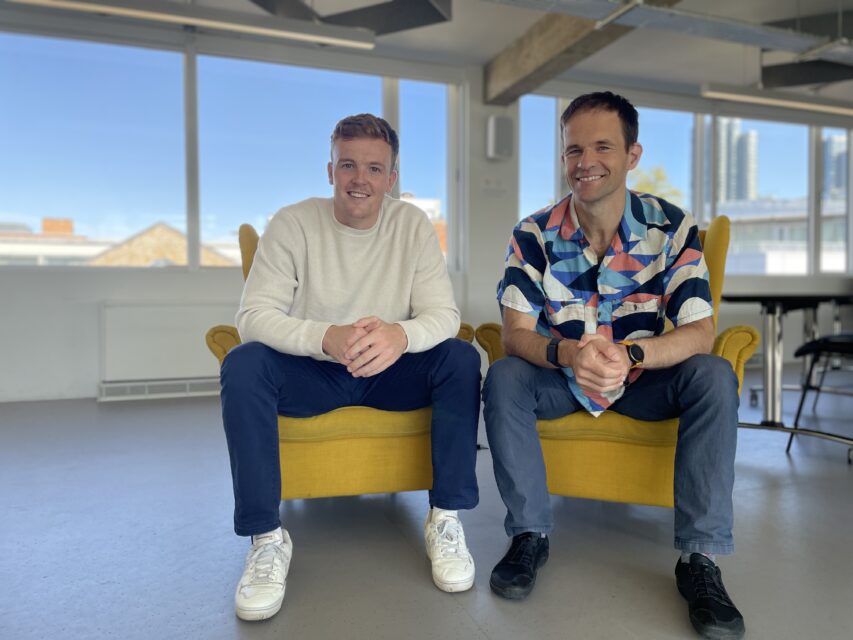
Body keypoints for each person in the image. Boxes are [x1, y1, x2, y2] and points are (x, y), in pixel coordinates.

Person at [483, 92, 744, 640]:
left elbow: (700, 330)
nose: (585, 161)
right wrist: (569, 354)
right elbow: (515, 336)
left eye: (603, 146)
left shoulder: (671, 227)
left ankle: (699, 561)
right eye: (573, 149)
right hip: (562, 380)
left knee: (714, 374)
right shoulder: (532, 235)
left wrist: (629, 356)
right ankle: (529, 535)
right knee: (505, 376)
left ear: (632, 154)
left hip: (645, 379)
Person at [220, 114, 480, 621]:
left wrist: (399, 335)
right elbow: (253, 316)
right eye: (348, 165)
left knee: (461, 358)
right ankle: (266, 538)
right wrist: (325, 336)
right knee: (243, 363)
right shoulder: (292, 222)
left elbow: (444, 316)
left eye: (374, 168)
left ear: (392, 177)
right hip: (315, 372)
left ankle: (445, 518)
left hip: (390, 370)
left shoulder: (412, 225)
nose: (361, 179)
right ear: (330, 170)